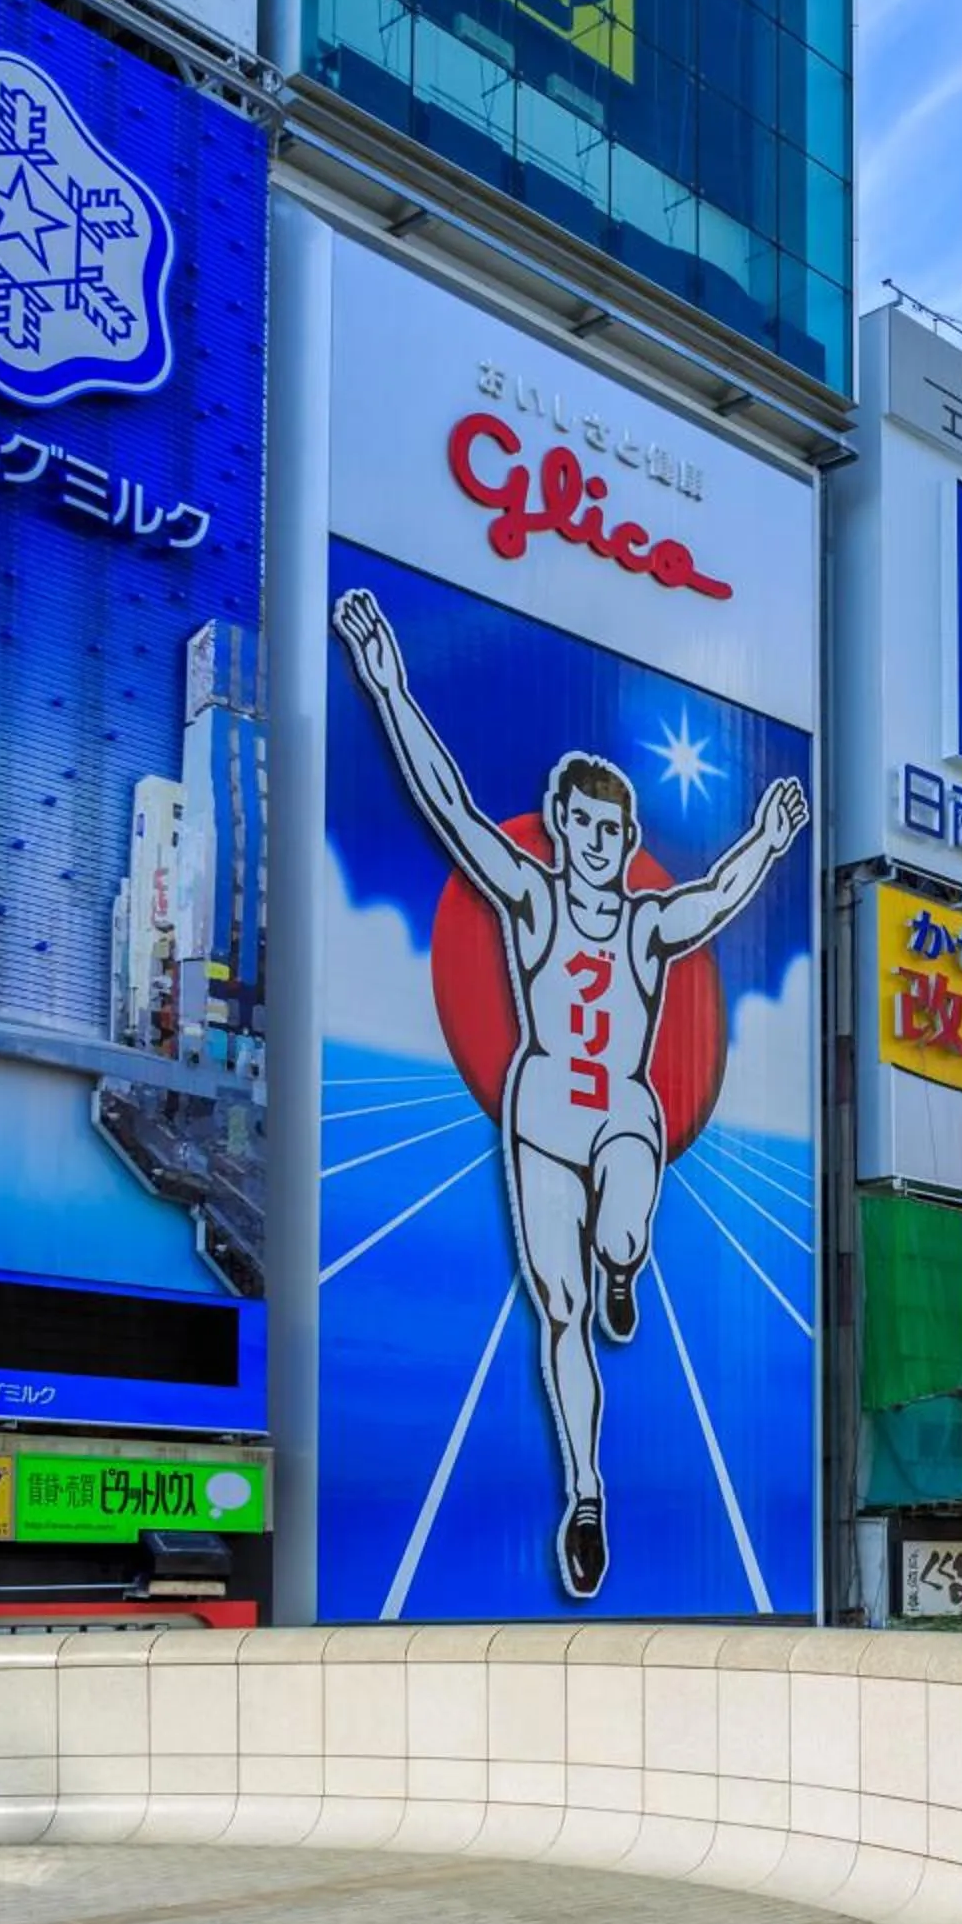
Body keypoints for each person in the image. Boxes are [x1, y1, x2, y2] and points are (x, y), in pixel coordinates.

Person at [332, 588, 810, 1601]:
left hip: (623, 1112)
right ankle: (586, 1493)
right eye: (581, 823)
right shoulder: (534, 898)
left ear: (627, 834)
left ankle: (626, 1256)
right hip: (543, 1114)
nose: (595, 840)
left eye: (611, 827)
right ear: (559, 826)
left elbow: (715, 900)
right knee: (562, 1311)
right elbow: (449, 806)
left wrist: (768, 839)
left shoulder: (642, 924)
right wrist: (387, 684)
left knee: (623, 1234)